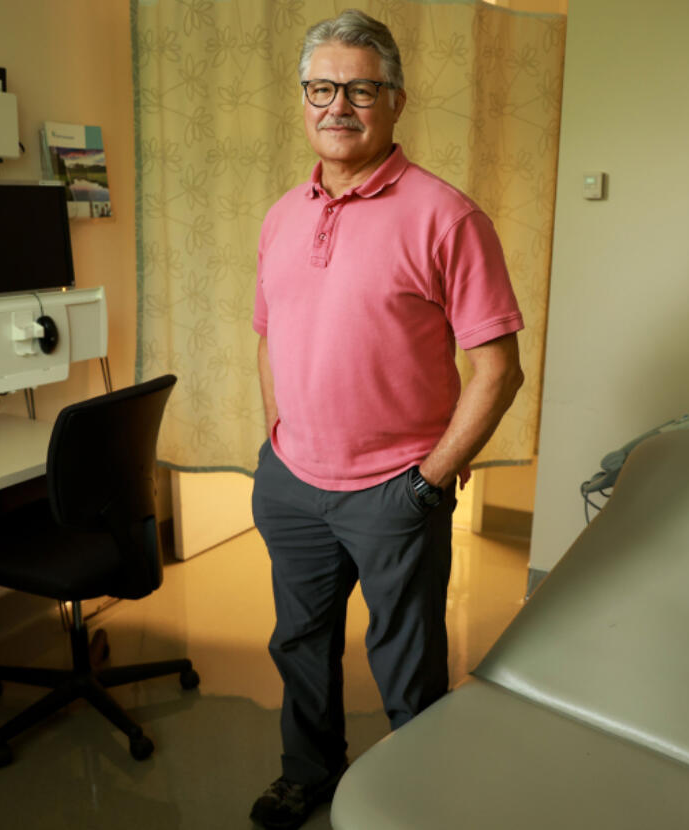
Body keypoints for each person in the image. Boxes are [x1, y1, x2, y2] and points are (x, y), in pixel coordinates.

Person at [249, 9, 525, 829]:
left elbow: (499, 372)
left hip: (394, 492)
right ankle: (309, 773)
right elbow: (266, 337)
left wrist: (426, 481)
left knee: (407, 663)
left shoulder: (448, 217)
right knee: (299, 644)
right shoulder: (280, 215)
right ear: (303, 99)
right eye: (321, 88)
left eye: (360, 89)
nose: (338, 105)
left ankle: (418, 795)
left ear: (395, 100)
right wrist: (275, 445)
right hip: (291, 484)